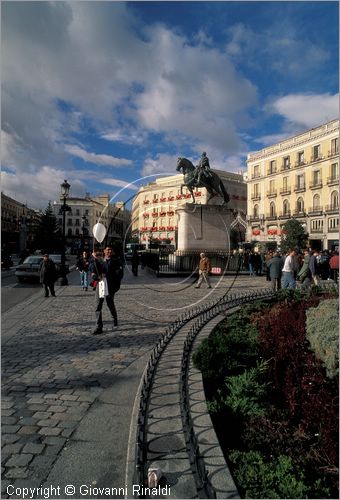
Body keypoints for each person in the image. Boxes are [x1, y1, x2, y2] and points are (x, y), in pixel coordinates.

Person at [89, 245, 124, 335]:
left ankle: (114, 318)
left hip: (110, 286)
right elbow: (92, 268)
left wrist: (109, 276)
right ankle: (98, 326)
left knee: (110, 303)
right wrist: (93, 258)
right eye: (107, 250)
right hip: (100, 284)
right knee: (98, 305)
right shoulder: (99, 260)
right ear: (104, 251)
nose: (109, 251)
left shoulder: (116, 261)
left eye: (110, 250)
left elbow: (120, 274)